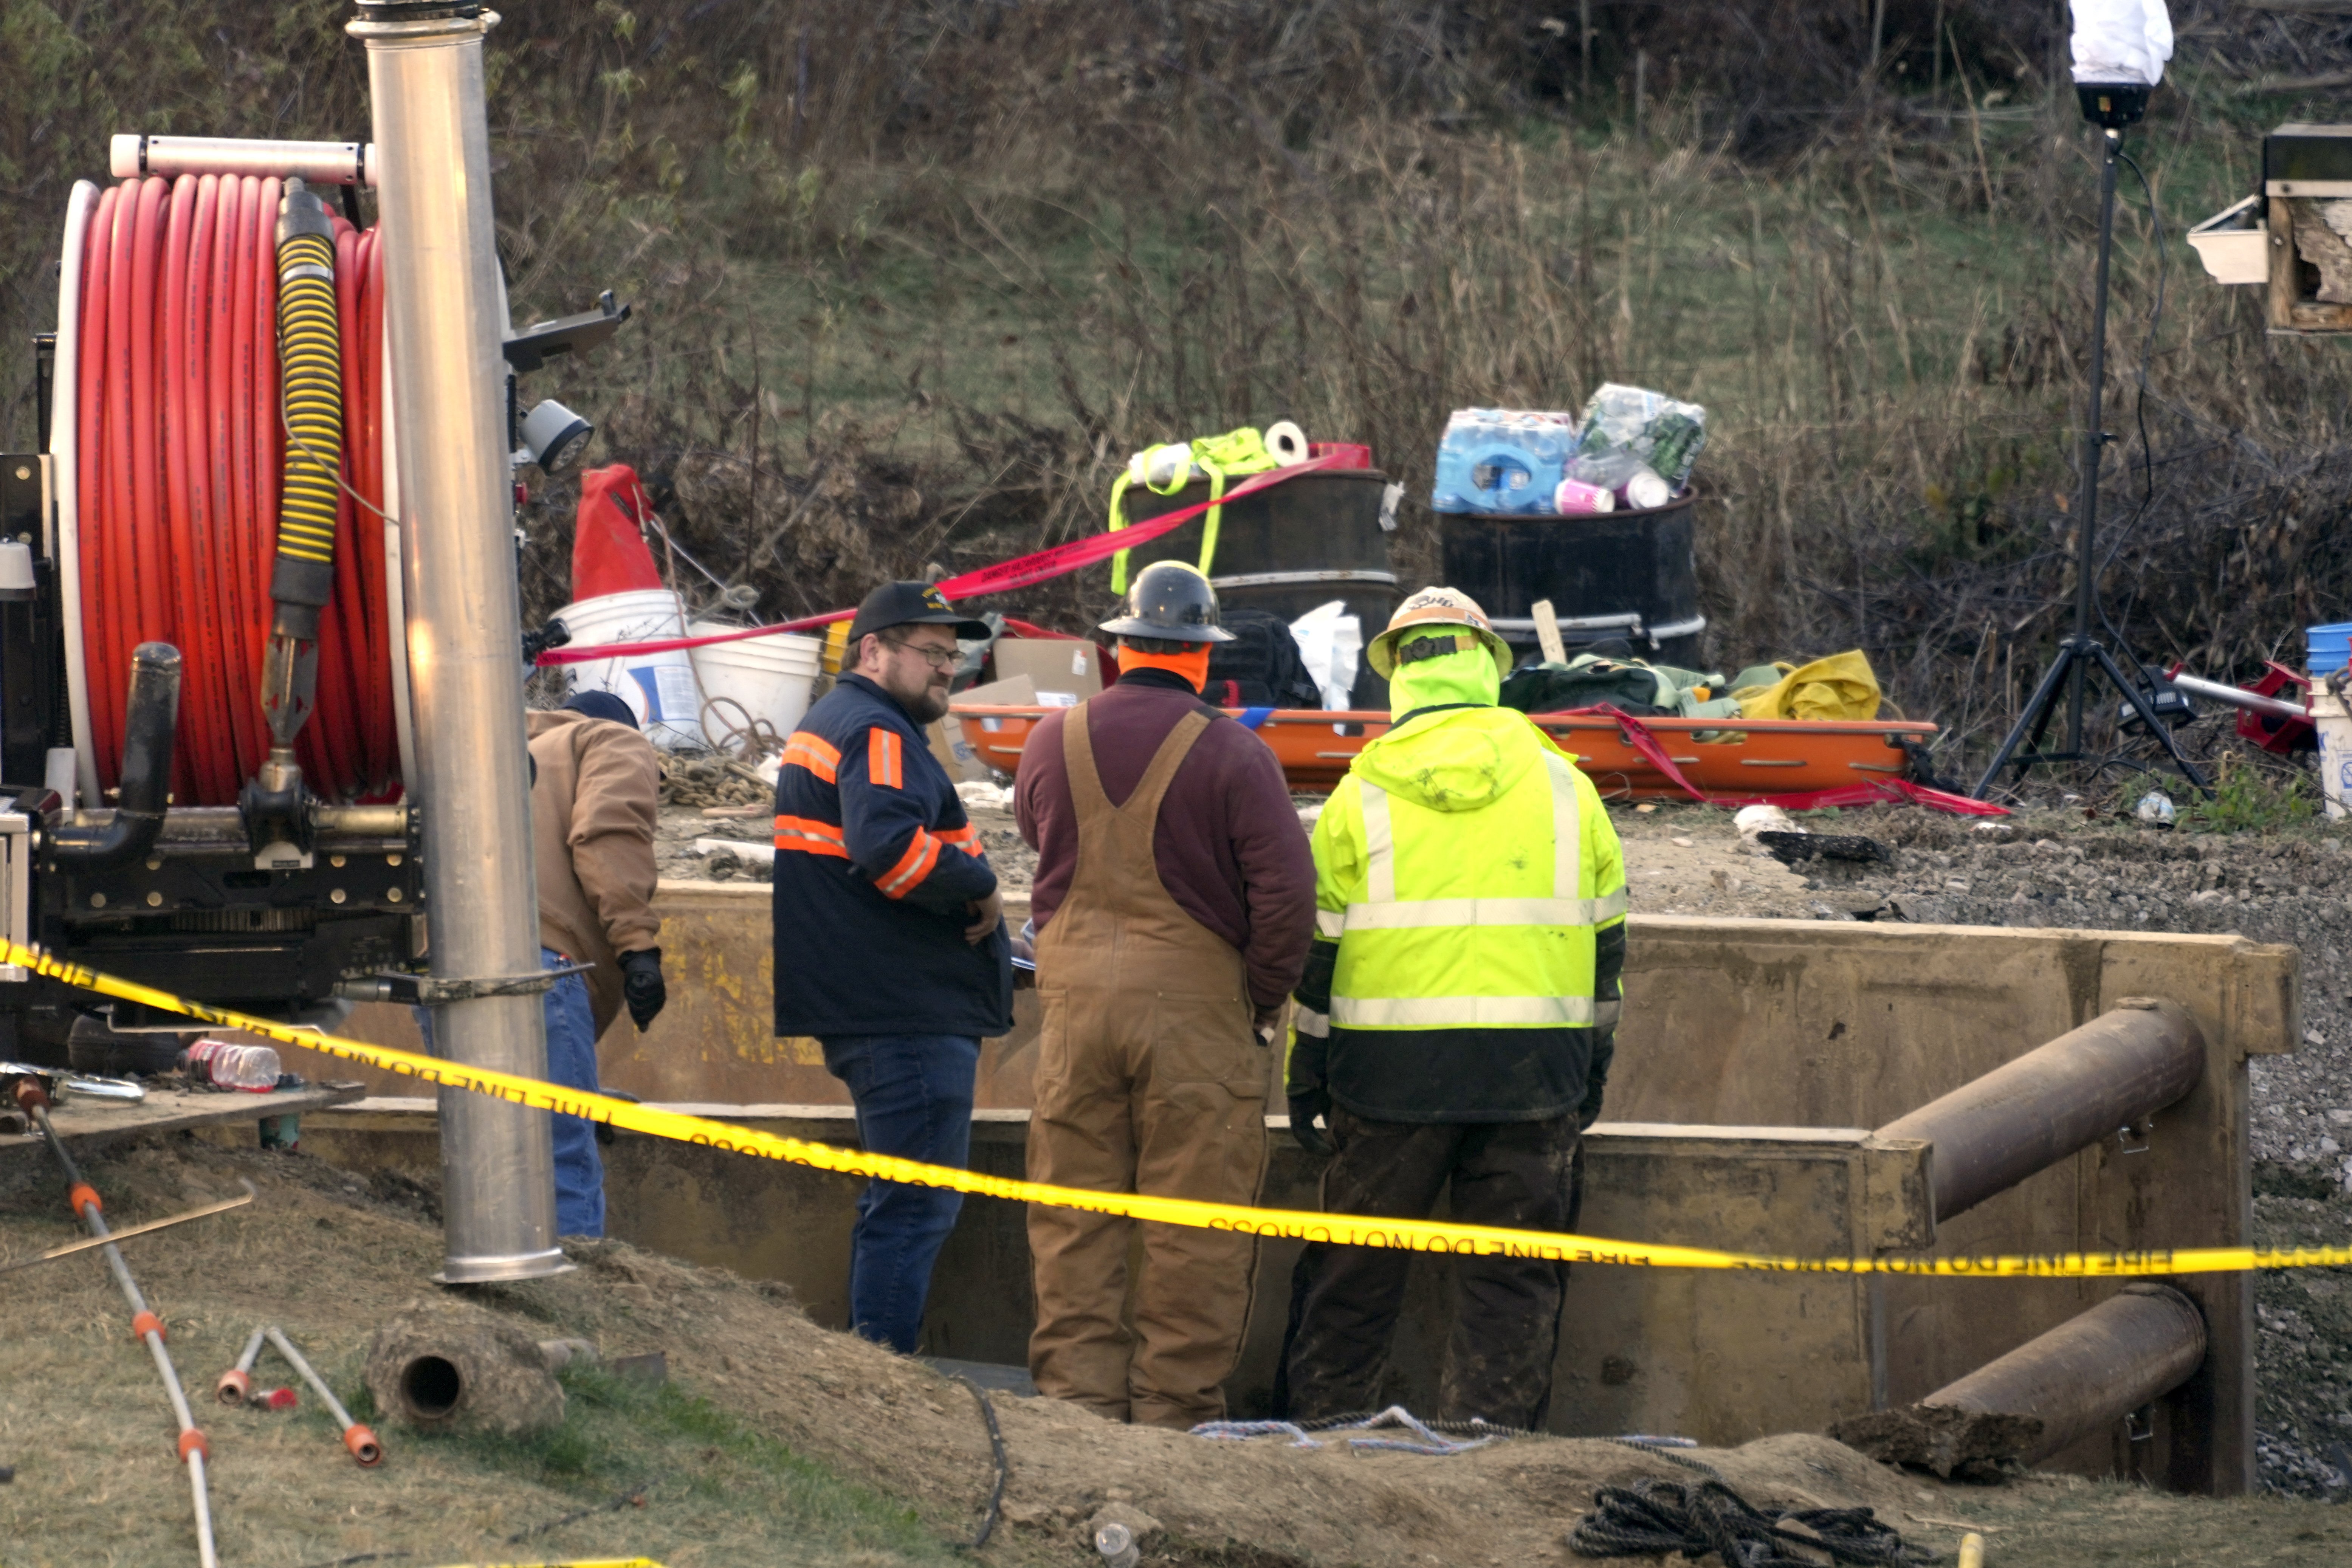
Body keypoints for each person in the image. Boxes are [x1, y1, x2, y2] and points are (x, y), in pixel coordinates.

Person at [1280, 586, 1627, 1430]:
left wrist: (1308, 1074)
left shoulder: (1357, 797)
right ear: (1489, 668)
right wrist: (1589, 1073)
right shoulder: (1566, 789)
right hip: (1531, 1076)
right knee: (1511, 1286)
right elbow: (1606, 953)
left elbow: (1316, 963)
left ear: (1396, 672)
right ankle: (1490, 1462)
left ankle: (1326, 1451)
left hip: (1386, 1080)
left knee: (1352, 1279)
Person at [1014, 560, 1316, 1428]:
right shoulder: (1232, 750)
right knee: (1196, 1230)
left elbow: (1045, 846)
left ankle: (1077, 1412)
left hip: (1073, 1014)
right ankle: (1175, 1420)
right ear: (1201, 656)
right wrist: (1257, 999)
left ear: (1118, 649)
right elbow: (1287, 898)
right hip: (1194, 1019)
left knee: (1075, 1217)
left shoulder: (1048, 741)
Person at [772, 580, 1013, 1354]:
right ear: (870, 650)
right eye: (931, 652)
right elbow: (892, 851)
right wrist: (979, 885)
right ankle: (884, 1377)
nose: (947, 669)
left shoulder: (838, 722)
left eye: (954, 655)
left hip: (874, 1004)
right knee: (915, 1206)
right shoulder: (878, 731)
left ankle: (875, 1369)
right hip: (904, 1011)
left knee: (898, 1201)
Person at [526, 688, 666, 1238]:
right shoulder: (611, 739)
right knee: (563, 1157)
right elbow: (608, 836)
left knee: (495, 1145)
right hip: (539, 968)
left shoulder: (494, 749)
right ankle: (577, 1304)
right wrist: (637, 946)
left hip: (436, 971)